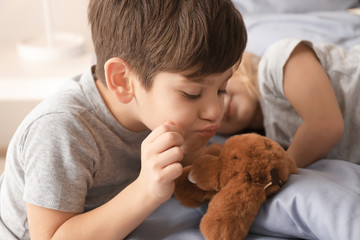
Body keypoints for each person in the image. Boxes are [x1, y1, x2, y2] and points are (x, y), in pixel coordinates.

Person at [0, 0, 247, 239]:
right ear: (122, 81)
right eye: (192, 94)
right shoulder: (61, 130)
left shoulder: (152, 109)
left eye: (222, 89)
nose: (215, 111)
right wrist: (146, 191)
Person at [218, 38, 360, 168]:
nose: (218, 109)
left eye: (217, 91)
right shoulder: (273, 140)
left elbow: (326, 124)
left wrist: (277, 176)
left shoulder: (276, 63)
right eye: (205, 117)